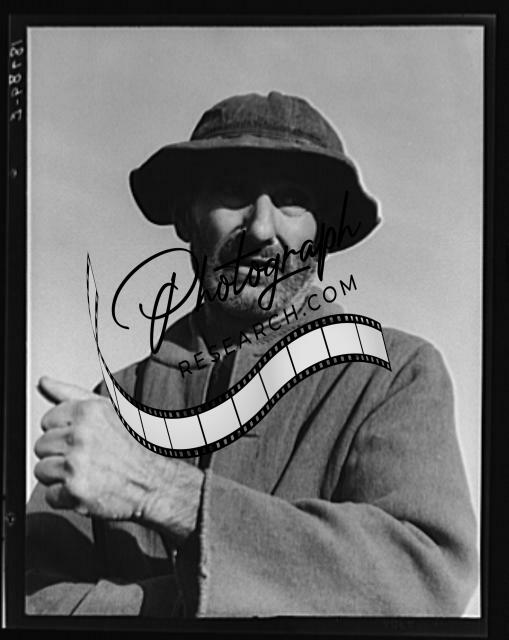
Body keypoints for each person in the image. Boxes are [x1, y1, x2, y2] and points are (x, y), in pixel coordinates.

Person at [26, 91, 478, 617]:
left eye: (291, 199)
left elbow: (425, 578)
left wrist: (161, 491)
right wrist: (205, 599)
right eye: (233, 191)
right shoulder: (117, 404)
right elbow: (27, 599)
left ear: (322, 234)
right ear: (186, 218)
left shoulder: (393, 374)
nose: (262, 229)